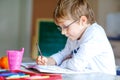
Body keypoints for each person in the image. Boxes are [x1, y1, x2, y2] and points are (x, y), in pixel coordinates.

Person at [36, 0, 116, 75]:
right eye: (60, 28)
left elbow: (76, 65)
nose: (63, 32)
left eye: (66, 27)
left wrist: (63, 62)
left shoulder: (95, 34)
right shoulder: (74, 36)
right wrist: (48, 61)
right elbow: (64, 54)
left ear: (83, 21)